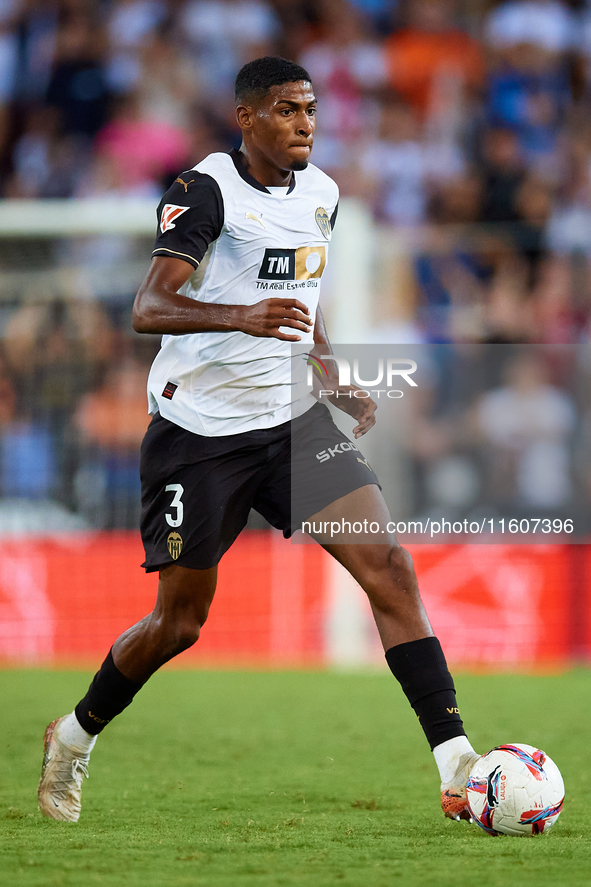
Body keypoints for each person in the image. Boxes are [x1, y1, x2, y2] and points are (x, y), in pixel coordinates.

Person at [37, 56, 478, 824]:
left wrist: (331, 371)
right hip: (198, 433)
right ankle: (74, 735)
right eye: (284, 110)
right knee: (180, 622)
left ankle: (456, 760)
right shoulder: (204, 190)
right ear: (247, 119)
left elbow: (302, 293)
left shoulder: (323, 194)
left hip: (289, 421)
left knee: (389, 567)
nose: (304, 122)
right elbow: (149, 306)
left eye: (309, 109)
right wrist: (240, 315)